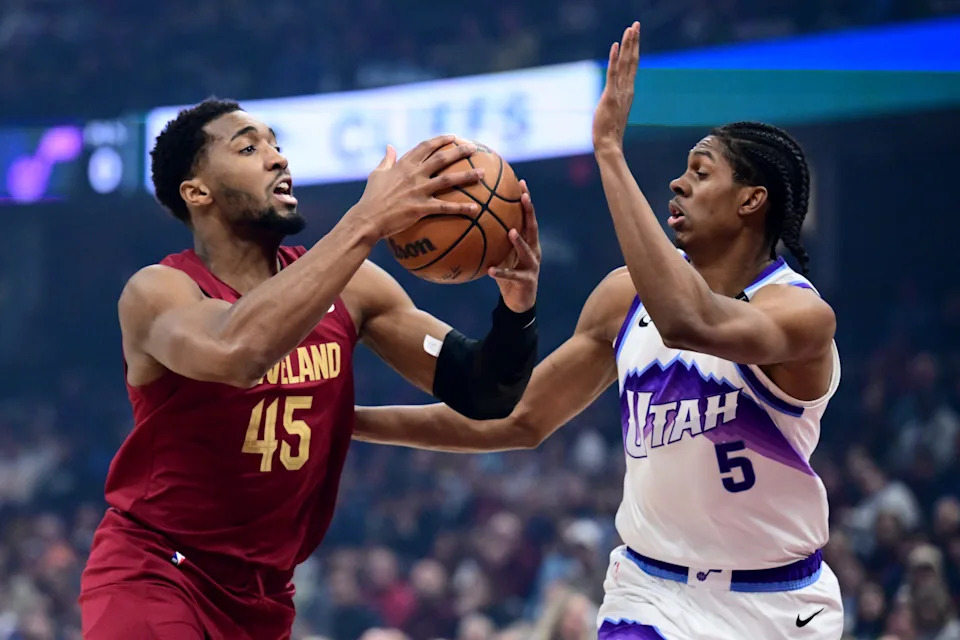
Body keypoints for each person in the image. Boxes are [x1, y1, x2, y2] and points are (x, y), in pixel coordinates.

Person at [354, 22, 843, 639]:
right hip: (651, 592)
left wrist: (610, 152)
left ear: (751, 201)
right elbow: (520, 419)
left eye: (701, 172)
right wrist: (347, 421)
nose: (678, 183)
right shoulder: (622, 296)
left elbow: (689, 321)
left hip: (777, 603)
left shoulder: (801, 315)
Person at [78, 99, 542, 639]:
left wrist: (516, 311)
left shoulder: (354, 288)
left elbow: (484, 390)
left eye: (276, 144)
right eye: (248, 148)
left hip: (266, 595)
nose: (277, 158)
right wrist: (365, 220)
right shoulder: (159, 292)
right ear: (197, 192)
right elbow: (239, 352)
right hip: (157, 572)